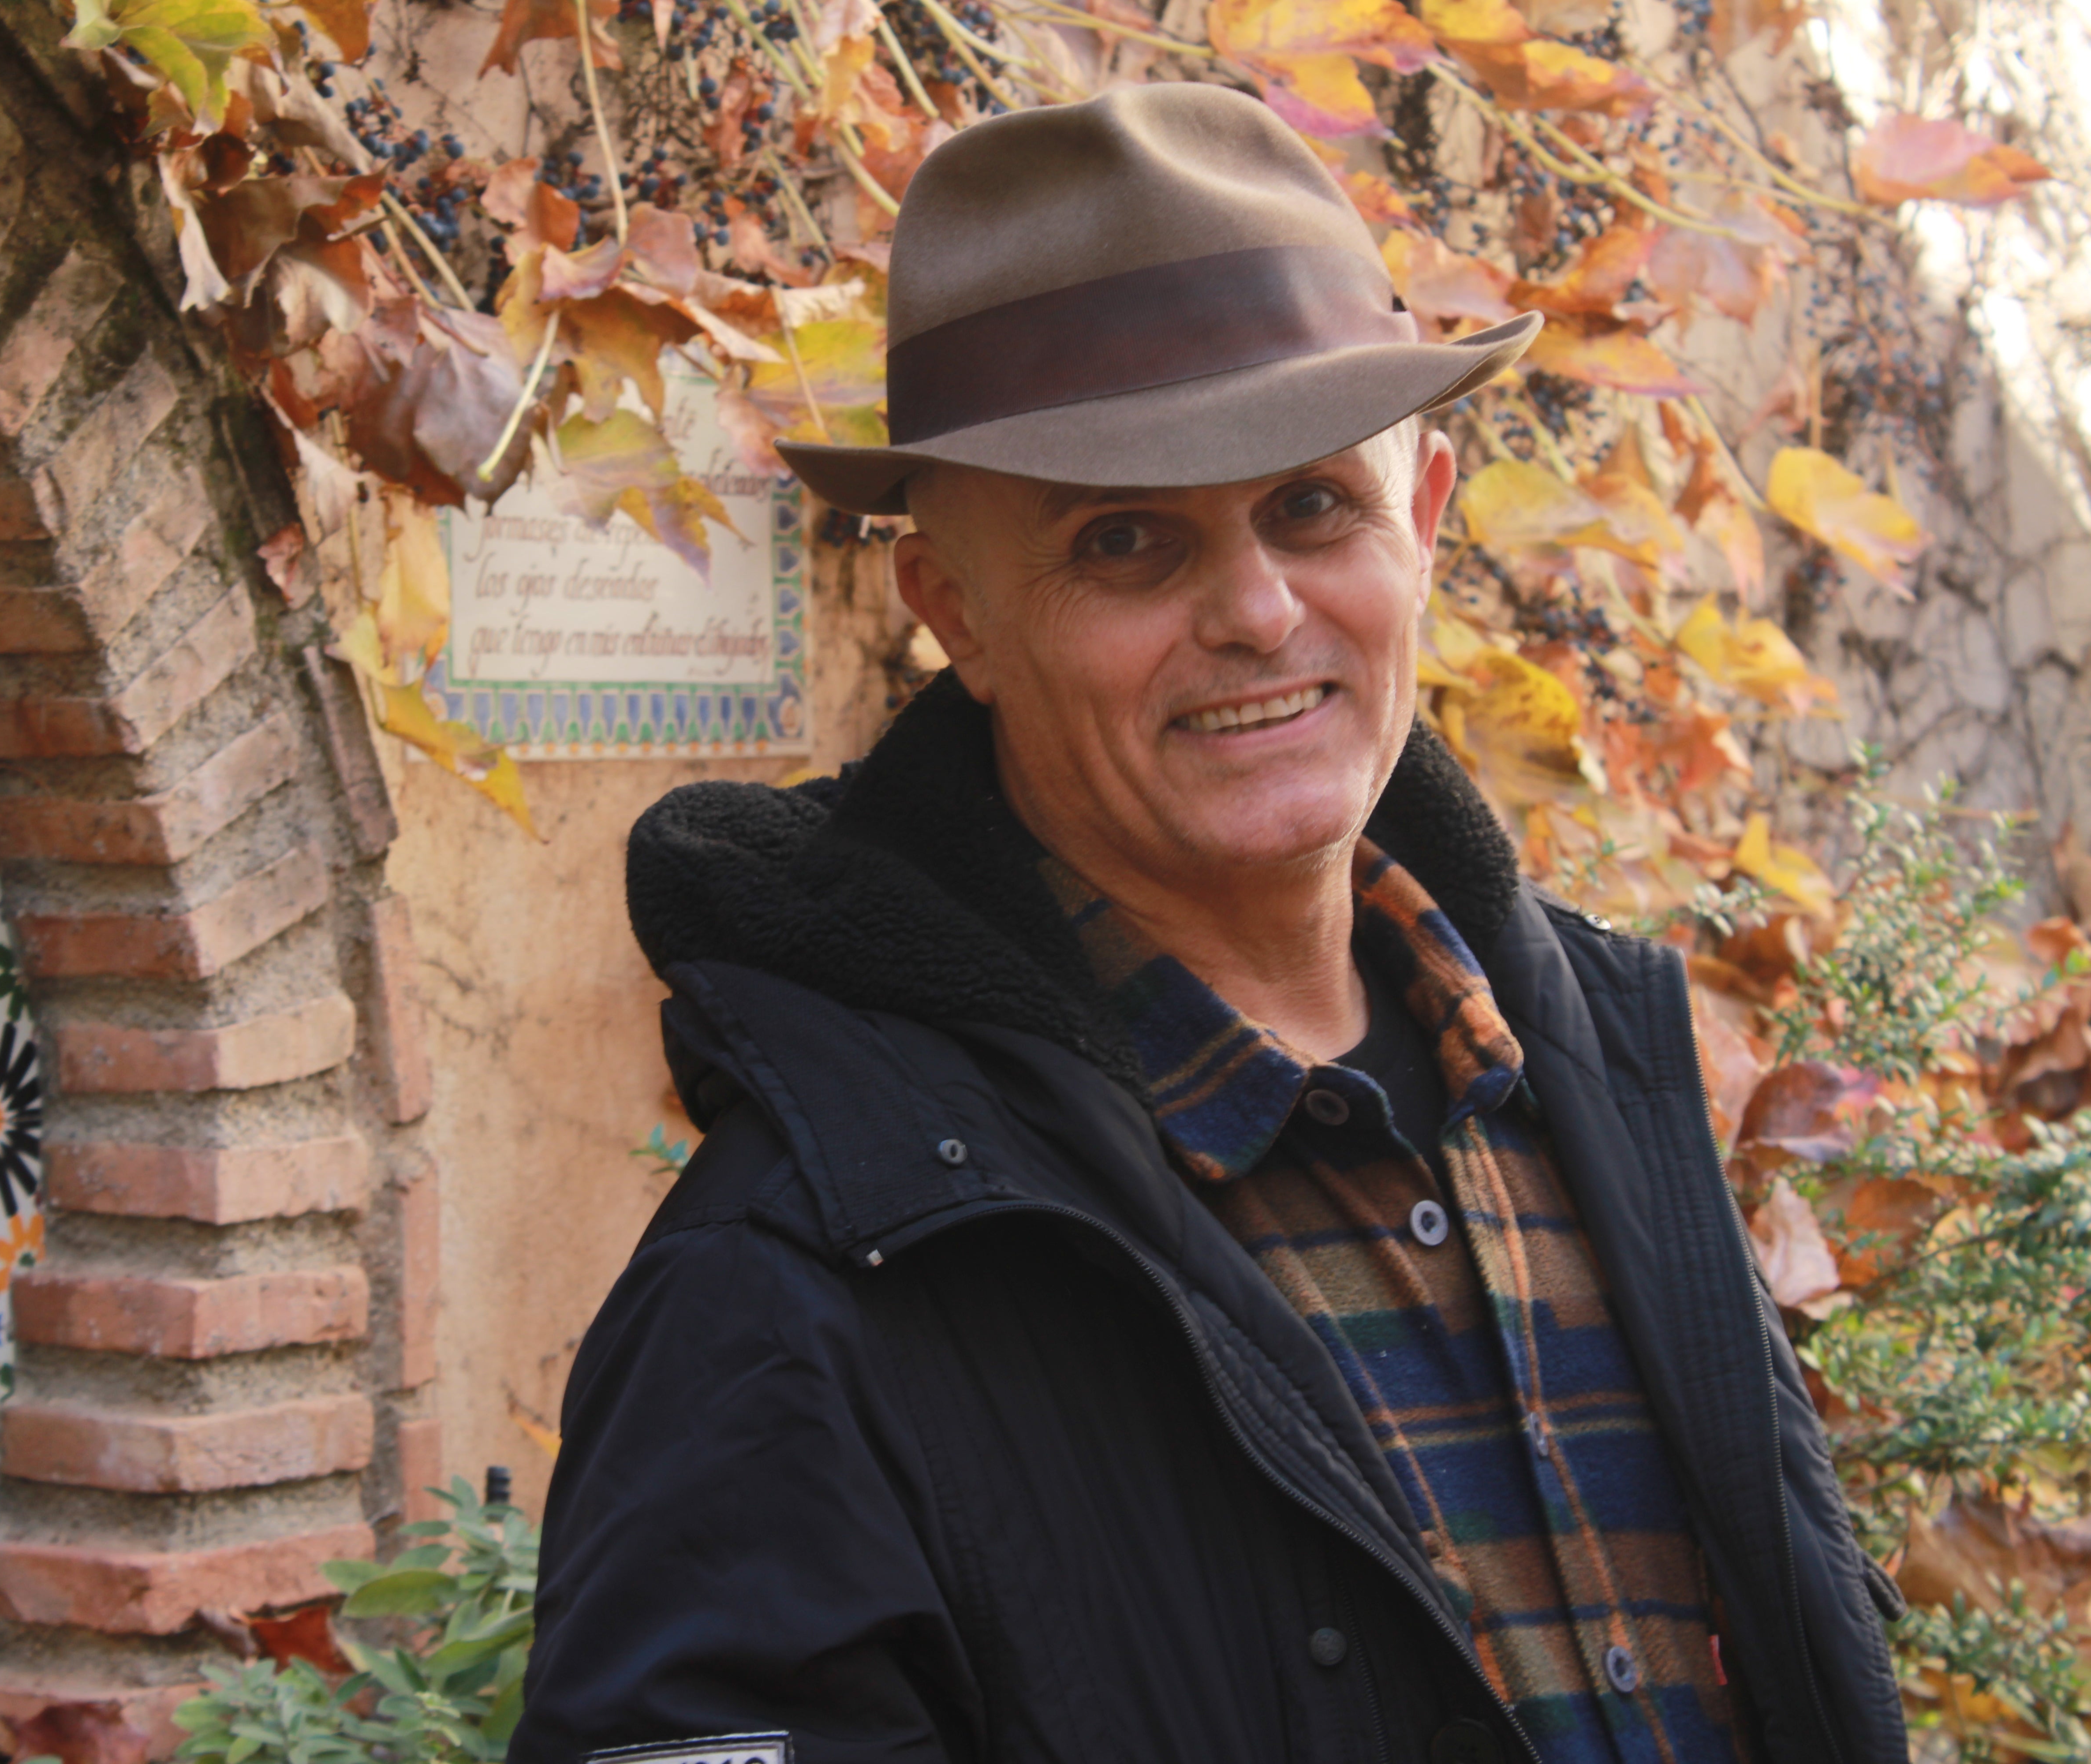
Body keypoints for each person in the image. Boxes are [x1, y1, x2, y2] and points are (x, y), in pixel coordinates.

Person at [509, 84, 1908, 1764]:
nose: (1257, 614)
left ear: (1430, 516)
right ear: (957, 612)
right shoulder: (791, 1286)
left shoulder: (1604, 1085)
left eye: (1314, 506)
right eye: (1126, 542)